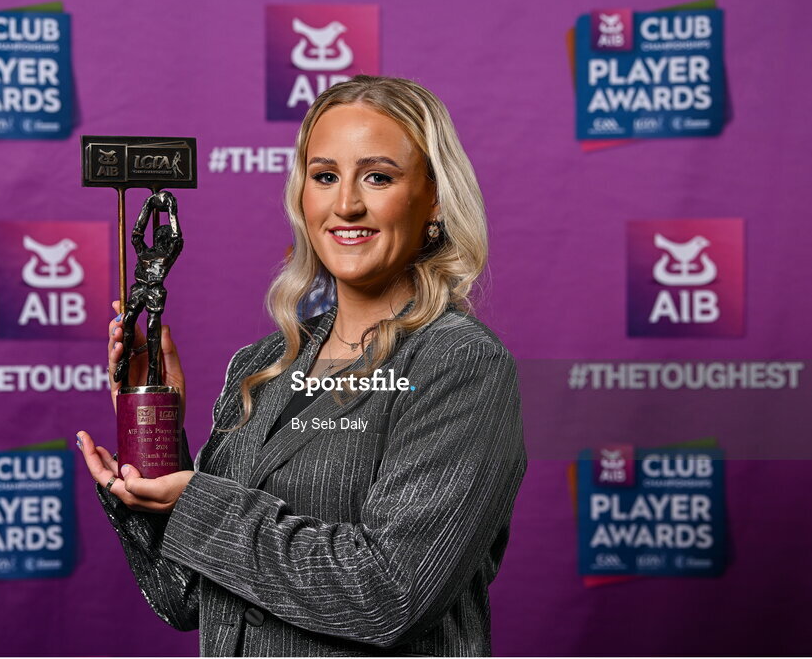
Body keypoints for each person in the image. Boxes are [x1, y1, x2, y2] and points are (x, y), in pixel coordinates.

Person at [76, 75, 526, 657]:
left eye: (379, 176)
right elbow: (184, 598)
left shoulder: (460, 364)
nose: (346, 205)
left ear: (434, 197)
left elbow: (388, 596)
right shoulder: (259, 367)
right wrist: (150, 439)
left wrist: (197, 503)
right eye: (325, 176)